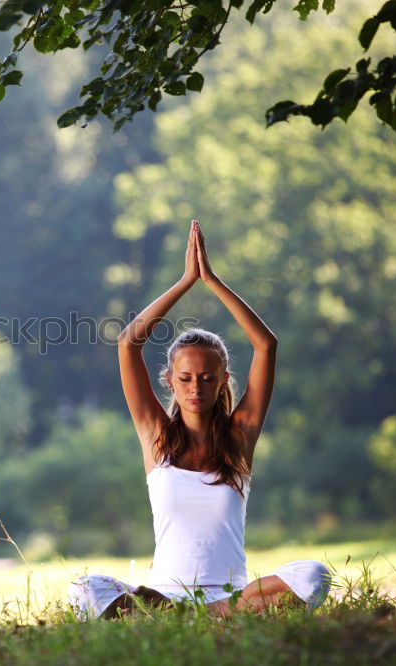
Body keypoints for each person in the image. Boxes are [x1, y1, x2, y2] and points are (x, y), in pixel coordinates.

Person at [68, 219, 330, 620]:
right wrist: (186, 281)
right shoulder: (156, 437)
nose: (196, 388)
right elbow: (128, 344)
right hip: (163, 598)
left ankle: (203, 617)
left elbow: (266, 344)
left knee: (313, 575)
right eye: (186, 379)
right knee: (86, 589)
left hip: (231, 598)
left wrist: (213, 280)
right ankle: (187, 617)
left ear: (223, 380)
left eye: (207, 378)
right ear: (170, 381)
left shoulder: (240, 436)